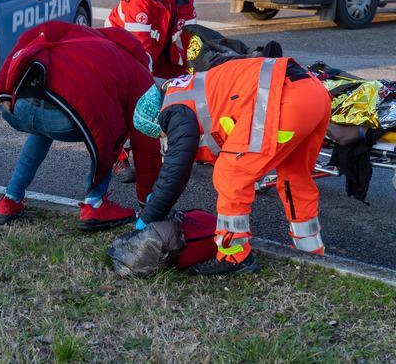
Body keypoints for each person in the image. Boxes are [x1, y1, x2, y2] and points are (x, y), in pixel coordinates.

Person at [131, 56, 332, 276]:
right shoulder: (183, 90)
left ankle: (234, 256)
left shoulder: (173, 111)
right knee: (295, 177)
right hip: (314, 93)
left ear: (156, 120)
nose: (166, 137)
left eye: (161, 134)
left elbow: (174, 172)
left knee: (230, 174)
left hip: (281, 99)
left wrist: (147, 219)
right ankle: (310, 250)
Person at [0, 21, 163, 231]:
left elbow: (32, 34)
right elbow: (145, 144)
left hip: (19, 107)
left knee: (43, 130)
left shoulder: (84, 34)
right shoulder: (139, 74)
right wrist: (148, 201)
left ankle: (10, 199)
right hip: (67, 120)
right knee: (115, 128)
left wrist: (4, 88)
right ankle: (95, 203)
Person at [107, 0, 197, 182]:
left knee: (183, 92)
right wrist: (151, 88)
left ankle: (174, 146)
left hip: (161, 54)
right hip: (123, 54)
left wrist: (192, 71)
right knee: (134, 102)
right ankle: (119, 156)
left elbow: (190, 37)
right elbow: (140, 49)